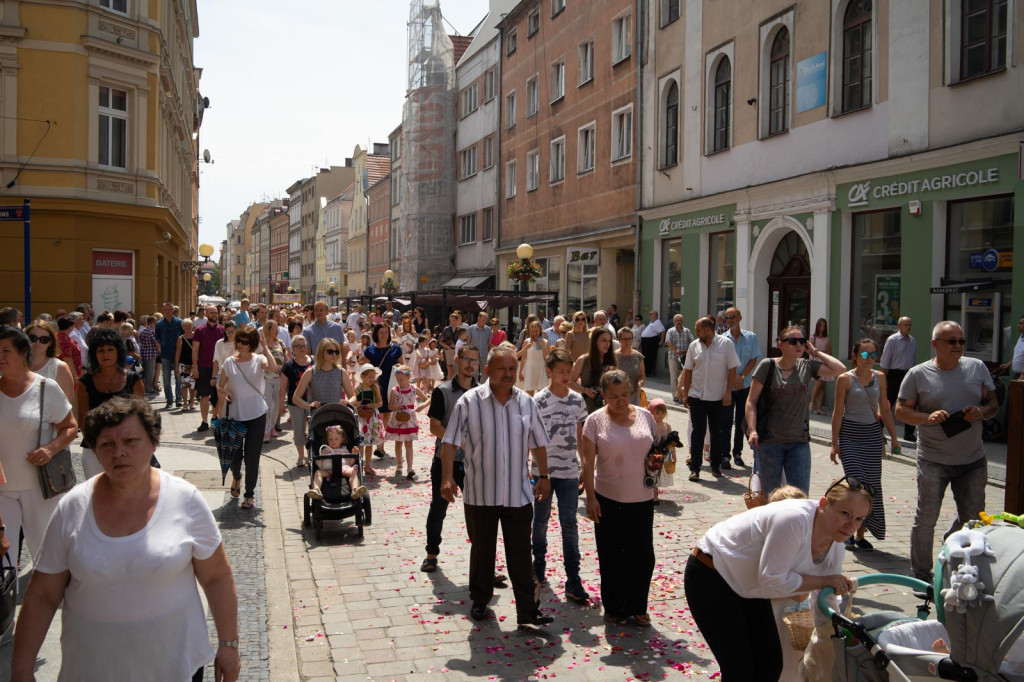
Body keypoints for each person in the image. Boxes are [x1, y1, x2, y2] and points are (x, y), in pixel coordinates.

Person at [11, 396, 241, 682]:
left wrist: (229, 645)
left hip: (175, 667)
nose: (119, 452)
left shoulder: (185, 499)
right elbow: (43, 594)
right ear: (95, 450)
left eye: (131, 441)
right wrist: (21, 669)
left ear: (153, 444)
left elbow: (217, 576)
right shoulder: (72, 507)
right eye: (107, 444)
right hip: (92, 669)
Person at [684, 477, 868, 682]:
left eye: (859, 519)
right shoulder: (794, 519)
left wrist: (835, 633)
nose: (851, 525)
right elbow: (772, 579)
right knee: (739, 671)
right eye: (845, 513)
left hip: (750, 587)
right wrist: (824, 581)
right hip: (711, 573)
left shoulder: (836, 545)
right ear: (824, 504)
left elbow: (826, 597)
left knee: (769, 666)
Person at [440, 345, 554, 627]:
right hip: (481, 492)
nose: (508, 374)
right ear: (488, 370)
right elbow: (449, 442)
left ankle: (528, 609)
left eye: (513, 369)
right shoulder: (469, 401)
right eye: (501, 369)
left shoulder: (527, 403)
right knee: (482, 550)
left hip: (518, 493)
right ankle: (480, 600)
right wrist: (447, 477)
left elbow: (538, 441)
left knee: (520, 553)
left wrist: (544, 475)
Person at [896, 321, 998, 583]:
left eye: (961, 341)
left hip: (973, 458)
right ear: (935, 344)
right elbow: (901, 411)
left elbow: (993, 403)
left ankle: (954, 546)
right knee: (927, 517)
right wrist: (927, 417)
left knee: (973, 519)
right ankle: (921, 575)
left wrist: (981, 412)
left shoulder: (977, 368)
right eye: (951, 341)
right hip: (933, 459)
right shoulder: (918, 374)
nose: (957, 346)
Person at [581, 369, 658, 626]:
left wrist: (656, 462)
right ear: (603, 396)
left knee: (643, 556)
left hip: (642, 498)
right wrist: (590, 499)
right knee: (612, 555)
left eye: (625, 395)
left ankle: (638, 606)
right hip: (608, 499)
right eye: (614, 396)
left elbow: (654, 451)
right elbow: (587, 462)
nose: (621, 401)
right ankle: (614, 606)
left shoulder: (646, 416)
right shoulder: (594, 421)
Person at [0, 326, 77, 562]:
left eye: (6, 351)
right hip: (2, 492)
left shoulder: (45, 388)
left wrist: (50, 449)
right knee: (5, 561)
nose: (0, 357)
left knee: (47, 557)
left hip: (41, 488)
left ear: (24, 353)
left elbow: (71, 426)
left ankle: (51, 599)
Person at [745, 326, 846, 496]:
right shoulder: (767, 366)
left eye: (802, 341)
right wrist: (753, 430)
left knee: (800, 496)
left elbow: (840, 369)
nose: (798, 344)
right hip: (770, 442)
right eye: (792, 341)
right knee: (771, 495)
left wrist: (815, 352)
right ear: (781, 345)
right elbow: (751, 401)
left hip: (799, 442)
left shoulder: (807, 366)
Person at [531, 349, 590, 603]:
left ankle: (573, 578)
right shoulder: (538, 400)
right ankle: (538, 566)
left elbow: (580, 436)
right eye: (560, 372)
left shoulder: (577, 400)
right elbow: (530, 436)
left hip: (568, 471)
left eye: (569, 372)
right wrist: (527, 467)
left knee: (569, 524)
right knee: (541, 520)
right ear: (549, 372)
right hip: (542, 472)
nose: (566, 376)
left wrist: (586, 466)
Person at [830, 338, 900, 550]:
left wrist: (894, 438)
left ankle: (860, 535)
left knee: (870, 486)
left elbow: (885, 410)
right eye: (864, 354)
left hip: (871, 436)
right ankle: (847, 531)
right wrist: (834, 443)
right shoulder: (845, 379)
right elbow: (837, 412)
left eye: (873, 354)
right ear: (855, 357)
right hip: (850, 436)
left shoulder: (880, 377)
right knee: (855, 484)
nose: (869, 358)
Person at [421, 345, 479, 574]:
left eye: (475, 360)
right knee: (439, 509)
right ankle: (431, 554)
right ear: (456, 360)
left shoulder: (482, 392)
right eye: (466, 359)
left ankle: (483, 561)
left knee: (479, 513)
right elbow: (435, 426)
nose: (470, 364)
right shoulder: (442, 391)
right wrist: (459, 441)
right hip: (445, 461)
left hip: (474, 464)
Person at [216, 327, 273, 510]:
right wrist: (223, 393)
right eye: (238, 341)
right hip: (235, 415)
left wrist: (265, 346)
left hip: (256, 414)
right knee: (234, 455)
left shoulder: (259, 359)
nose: (240, 344)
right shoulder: (229, 363)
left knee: (252, 456)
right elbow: (220, 385)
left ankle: (249, 494)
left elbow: (272, 367)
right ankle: (237, 477)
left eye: (245, 342)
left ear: (252, 344)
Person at [76, 328, 146, 478]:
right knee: (97, 496)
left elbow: (142, 417)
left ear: (118, 352)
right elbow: (83, 421)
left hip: (127, 448)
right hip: (93, 448)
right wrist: (98, 449)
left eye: (110, 350)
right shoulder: (85, 383)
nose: (105, 354)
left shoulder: (133, 380)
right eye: (101, 350)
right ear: (94, 354)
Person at [678, 316, 738, 482]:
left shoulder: (726, 345)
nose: (696, 333)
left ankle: (715, 466)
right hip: (697, 396)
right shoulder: (694, 346)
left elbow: (732, 370)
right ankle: (695, 468)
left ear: (708, 330)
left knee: (716, 432)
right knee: (698, 432)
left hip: (718, 397)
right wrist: (685, 393)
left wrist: (728, 392)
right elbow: (688, 370)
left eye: (698, 330)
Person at [719, 307, 761, 468]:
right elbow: (723, 363)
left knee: (741, 422)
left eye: (733, 317)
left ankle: (737, 453)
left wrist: (741, 376)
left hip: (744, 386)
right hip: (728, 387)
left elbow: (753, 359)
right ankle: (725, 455)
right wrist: (732, 379)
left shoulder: (751, 337)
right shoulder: (722, 339)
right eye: (728, 317)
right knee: (726, 421)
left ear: (740, 318)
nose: (730, 320)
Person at [362, 322, 403, 446]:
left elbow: (403, 366)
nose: (384, 335)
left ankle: (381, 443)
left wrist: (398, 367)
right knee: (377, 412)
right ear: (376, 334)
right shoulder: (369, 350)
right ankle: (380, 443)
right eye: (381, 332)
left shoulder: (395, 348)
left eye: (386, 332)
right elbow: (366, 369)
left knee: (387, 412)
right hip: (375, 384)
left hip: (390, 384)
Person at [386, 365, 427, 479]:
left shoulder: (414, 389)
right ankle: (399, 465)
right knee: (398, 442)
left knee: (409, 443)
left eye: (401, 379)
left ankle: (410, 467)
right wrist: (395, 406)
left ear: (409, 378)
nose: (399, 382)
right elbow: (390, 405)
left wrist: (423, 406)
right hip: (398, 419)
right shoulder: (395, 390)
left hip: (410, 419)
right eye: (398, 379)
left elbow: (428, 399)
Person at [880, 316, 917, 441]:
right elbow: (885, 360)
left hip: (908, 374)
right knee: (887, 403)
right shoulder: (893, 340)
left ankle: (909, 433)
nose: (908, 327)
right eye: (906, 324)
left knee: (910, 403)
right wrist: (883, 377)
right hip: (894, 374)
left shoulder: (912, 341)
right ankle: (878, 429)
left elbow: (913, 359)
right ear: (899, 325)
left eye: (910, 324)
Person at [308, 425, 366, 501]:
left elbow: (350, 463)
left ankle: (355, 489)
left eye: (336, 439)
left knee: (353, 473)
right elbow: (320, 460)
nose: (333, 441)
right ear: (327, 440)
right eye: (330, 439)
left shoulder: (345, 450)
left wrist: (353, 454)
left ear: (342, 440)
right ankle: (316, 489)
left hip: (343, 469)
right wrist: (322, 455)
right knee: (318, 473)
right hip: (329, 470)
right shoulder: (325, 449)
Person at [25, 319, 76, 405]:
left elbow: (67, 404)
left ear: (50, 343)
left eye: (44, 339)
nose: (37, 342)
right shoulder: (17, 364)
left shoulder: (60, 367)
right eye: (33, 338)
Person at [282, 335, 314, 467]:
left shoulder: (313, 362)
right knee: (299, 430)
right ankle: (301, 456)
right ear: (293, 348)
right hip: (295, 402)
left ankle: (311, 454)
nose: (301, 348)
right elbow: (283, 387)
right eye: (298, 346)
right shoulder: (288, 365)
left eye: (303, 346)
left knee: (312, 428)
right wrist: (280, 405)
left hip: (313, 401)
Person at [193, 305, 224, 432]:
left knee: (218, 396)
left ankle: (214, 417)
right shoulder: (199, 330)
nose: (214, 315)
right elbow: (195, 350)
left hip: (220, 369)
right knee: (204, 396)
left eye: (216, 313)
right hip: (204, 367)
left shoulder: (223, 330)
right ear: (206, 314)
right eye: (211, 313)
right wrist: (195, 367)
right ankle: (204, 421)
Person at [571, 327, 617, 414]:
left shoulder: (612, 361)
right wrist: (585, 390)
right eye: (604, 340)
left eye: (609, 341)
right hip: (587, 409)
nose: (607, 344)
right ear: (595, 341)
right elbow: (570, 383)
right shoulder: (583, 360)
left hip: (607, 408)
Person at [350, 364, 384, 476]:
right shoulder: (358, 389)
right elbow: (353, 402)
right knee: (361, 443)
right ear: (362, 377)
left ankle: (368, 466)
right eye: (369, 377)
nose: (372, 379)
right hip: (362, 418)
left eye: (373, 377)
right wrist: (357, 404)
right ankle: (359, 464)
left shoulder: (375, 388)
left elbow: (380, 403)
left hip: (372, 417)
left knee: (370, 443)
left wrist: (372, 405)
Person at [260, 320, 287, 442]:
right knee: (268, 405)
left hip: (279, 378)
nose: (276, 330)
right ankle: (265, 430)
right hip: (266, 377)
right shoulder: (261, 344)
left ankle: (271, 427)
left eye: (277, 327)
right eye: (274, 328)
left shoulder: (280, 343)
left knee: (276, 405)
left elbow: (286, 358)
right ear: (268, 329)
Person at [155, 302, 184, 408]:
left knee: (178, 378)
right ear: (163, 310)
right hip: (165, 354)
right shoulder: (159, 324)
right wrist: (159, 349)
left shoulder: (179, 322)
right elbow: (157, 338)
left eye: (169, 309)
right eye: (166, 309)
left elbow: (183, 337)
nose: (168, 311)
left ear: (173, 310)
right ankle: (169, 400)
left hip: (178, 354)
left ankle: (179, 399)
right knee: (166, 379)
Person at [613, 325, 645, 405]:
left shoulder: (638, 356)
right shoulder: (613, 356)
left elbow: (642, 375)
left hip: (634, 395)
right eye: (624, 339)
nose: (627, 341)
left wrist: (641, 382)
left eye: (629, 338)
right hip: (617, 396)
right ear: (619, 340)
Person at [665, 315, 693, 406]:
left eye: (680, 320)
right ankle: (676, 396)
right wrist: (675, 350)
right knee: (674, 377)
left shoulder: (687, 331)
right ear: (674, 322)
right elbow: (668, 342)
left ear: (683, 321)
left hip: (684, 357)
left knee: (683, 377)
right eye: (677, 320)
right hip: (673, 357)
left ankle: (682, 394)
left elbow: (692, 341)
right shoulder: (671, 331)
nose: (679, 322)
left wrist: (689, 351)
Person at [517, 319, 550, 396]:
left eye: (536, 331)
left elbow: (547, 358)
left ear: (540, 330)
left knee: (542, 395)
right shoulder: (527, 341)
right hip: (530, 369)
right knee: (529, 394)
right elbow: (523, 358)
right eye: (533, 331)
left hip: (542, 369)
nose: (535, 333)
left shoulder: (545, 342)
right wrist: (520, 372)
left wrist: (542, 346)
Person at [809, 318, 833, 415]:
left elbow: (829, 351)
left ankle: (819, 408)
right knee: (819, 383)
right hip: (816, 363)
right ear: (817, 326)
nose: (822, 328)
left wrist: (818, 352)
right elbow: (811, 351)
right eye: (820, 326)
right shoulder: (813, 337)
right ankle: (812, 402)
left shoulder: (827, 338)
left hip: (824, 361)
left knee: (822, 385)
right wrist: (819, 352)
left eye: (824, 326)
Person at [175, 318, 197, 412]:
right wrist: (176, 366)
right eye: (185, 326)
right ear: (182, 327)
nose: (188, 327)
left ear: (192, 326)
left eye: (189, 325)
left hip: (194, 364)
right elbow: (178, 353)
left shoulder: (196, 337)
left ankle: (192, 402)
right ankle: (184, 404)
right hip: (183, 365)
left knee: (193, 385)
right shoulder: (181, 338)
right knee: (183, 385)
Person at [639, 310, 666, 377]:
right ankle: (644, 371)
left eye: (651, 314)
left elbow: (662, 331)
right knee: (645, 356)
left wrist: (661, 341)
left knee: (649, 357)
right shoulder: (652, 322)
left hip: (651, 341)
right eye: (649, 314)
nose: (649, 315)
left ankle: (648, 372)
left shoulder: (657, 322)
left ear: (656, 316)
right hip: (646, 341)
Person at [466, 312, 493, 377]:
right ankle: (475, 386)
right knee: (474, 374)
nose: (485, 322)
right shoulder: (471, 328)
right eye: (484, 320)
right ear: (479, 318)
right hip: (473, 355)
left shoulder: (488, 329)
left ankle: (481, 386)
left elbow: (490, 343)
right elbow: (467, 343)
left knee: (486, 374)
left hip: (484, 355)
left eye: (486, 320)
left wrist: (490, 354)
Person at [998, 314, 1024, 380]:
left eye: (1021, 323)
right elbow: (1018, 356)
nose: (1018, 325)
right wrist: (1008, 364)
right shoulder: (1021, 337)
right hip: (1017, 375)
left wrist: (1022, 376)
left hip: (1022, 376)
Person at [137, 314, 158, 393]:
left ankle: (145, 387)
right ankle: (149, 388)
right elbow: (155, 342)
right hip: (151, 354)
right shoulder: (151, 331)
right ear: (153, 323)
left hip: (144, 353)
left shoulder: (144, 330)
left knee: (145, 372)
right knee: (150, 372)